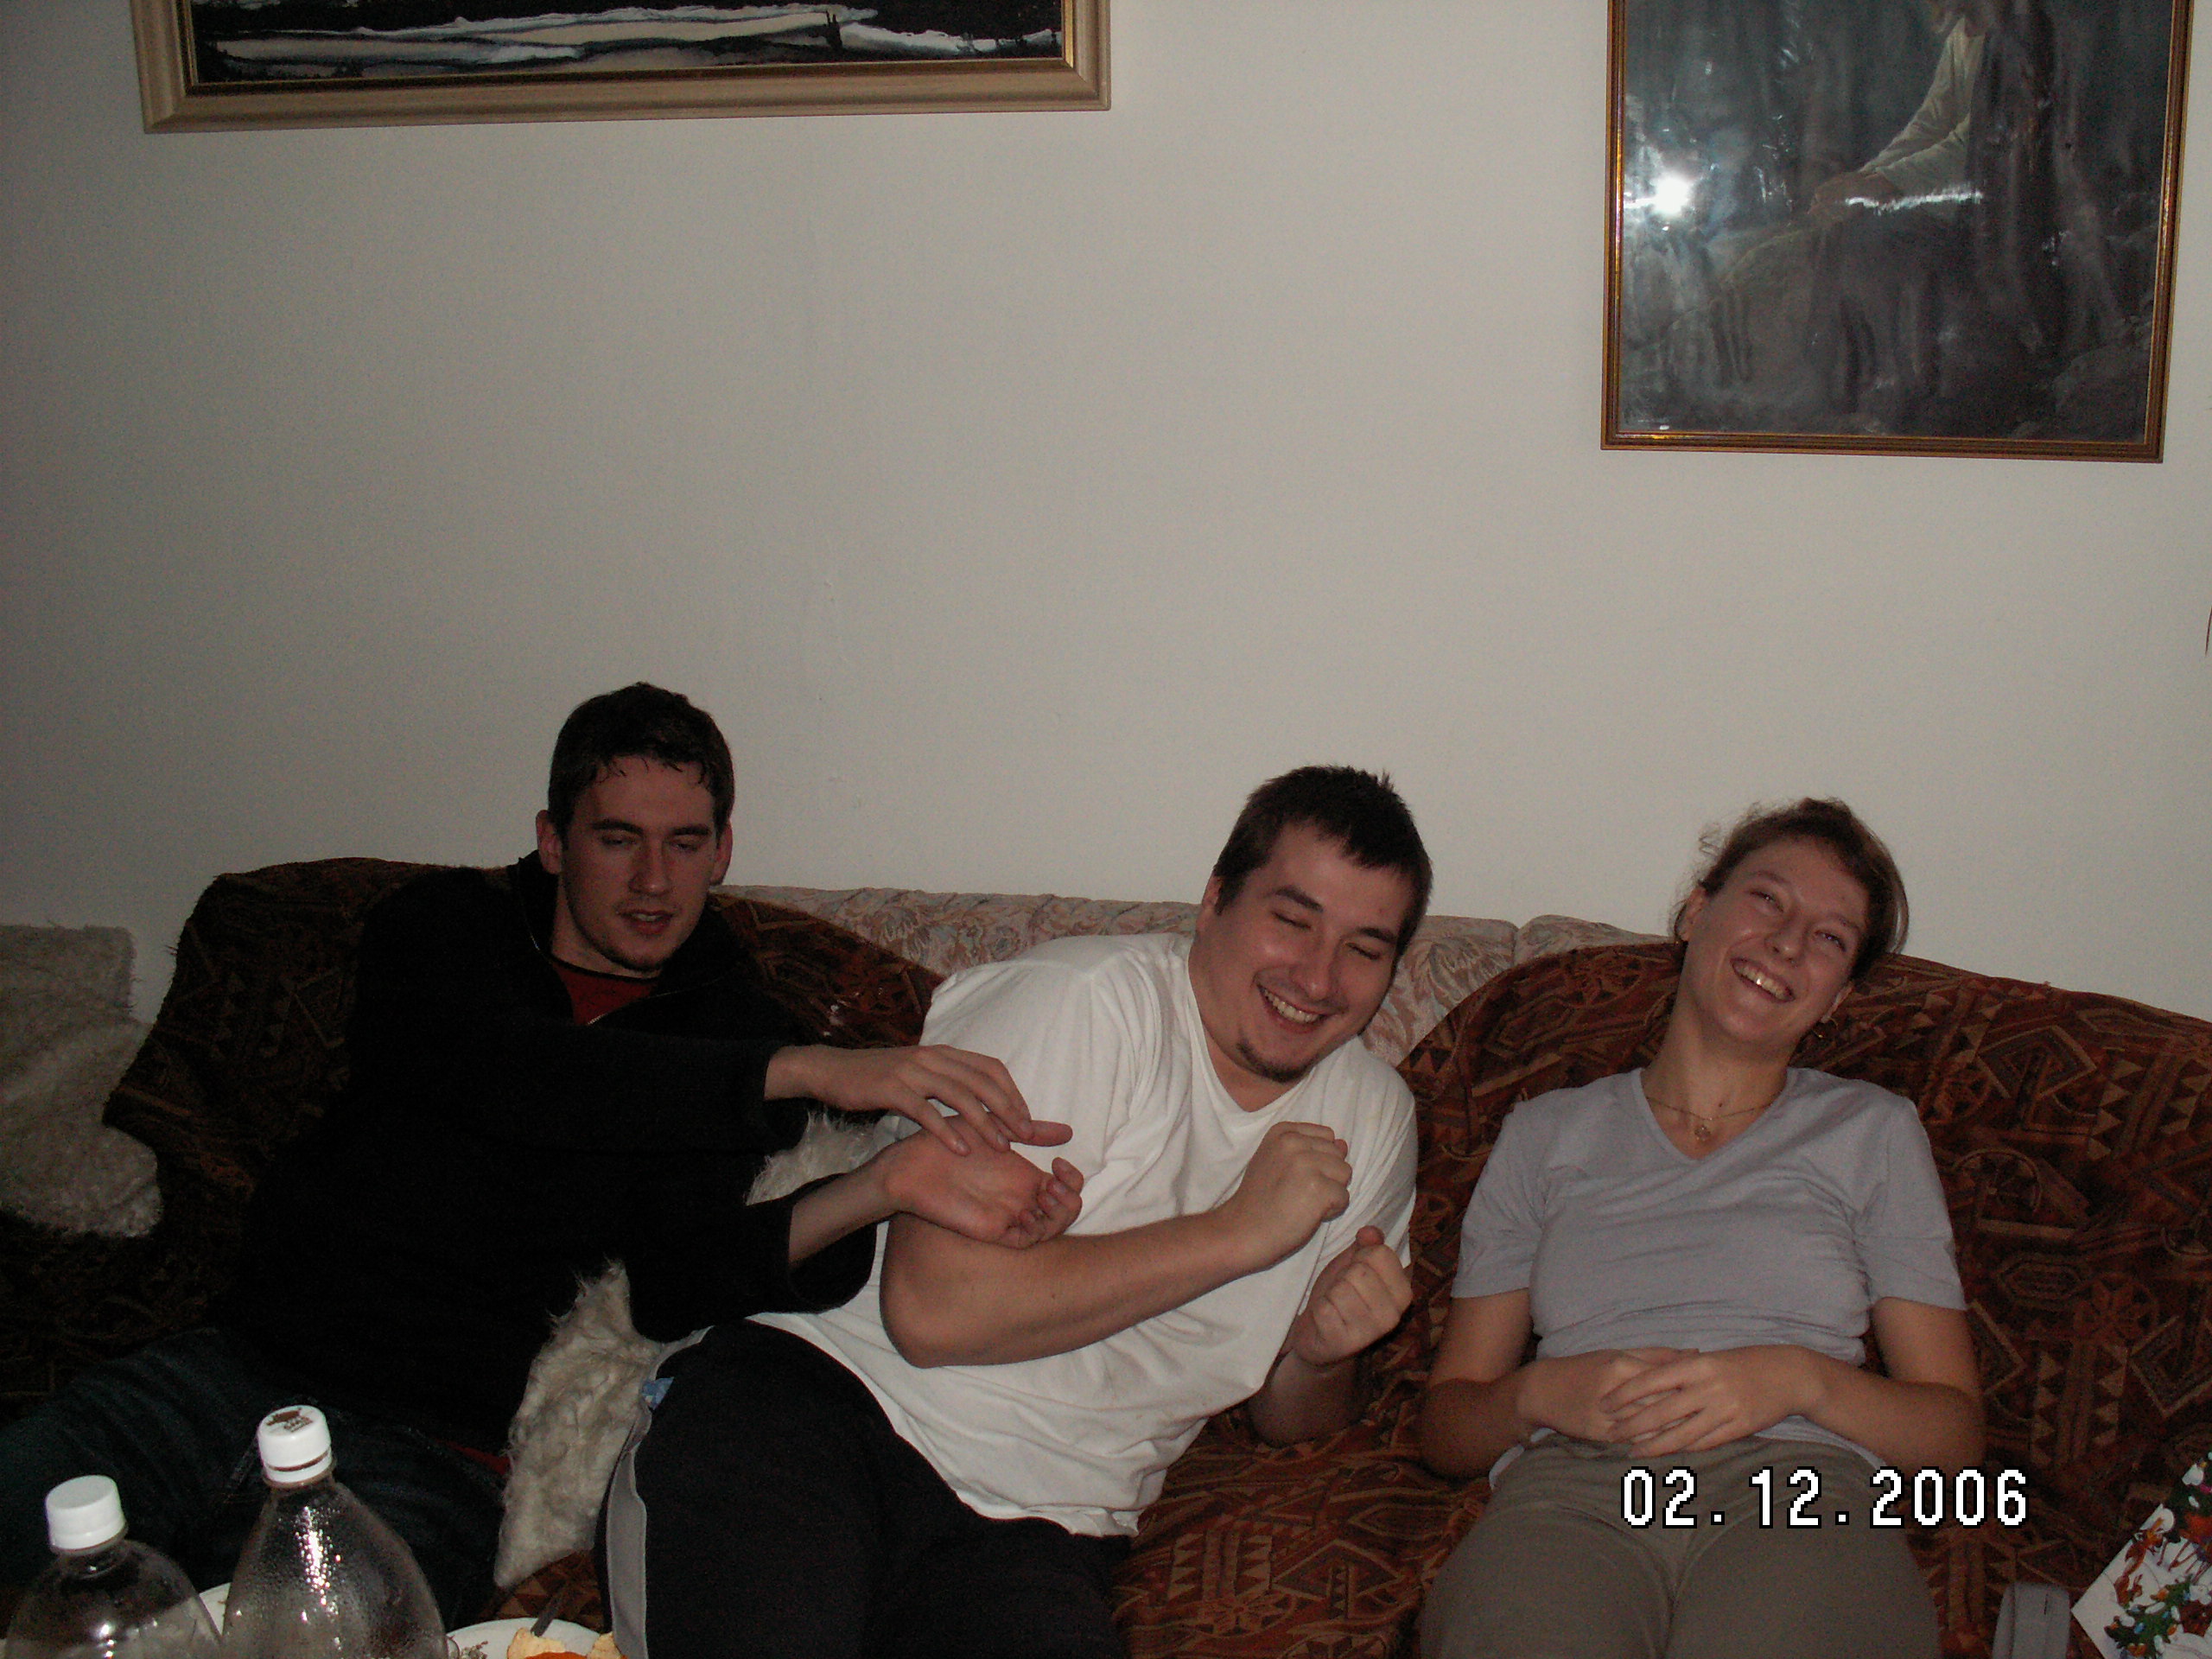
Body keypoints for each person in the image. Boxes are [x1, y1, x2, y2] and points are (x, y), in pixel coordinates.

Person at [0, 683, 1078, 1622]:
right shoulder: (444, 930)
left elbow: (674, 1280)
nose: (653, 881)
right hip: (230, 1376)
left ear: (723, 852)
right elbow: (509, 1077)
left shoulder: (734, 1029)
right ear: (553, 841)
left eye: (686, 843)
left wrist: (881, 1185)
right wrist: (798, 1072)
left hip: (434, 1458)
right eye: (617, 839)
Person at [602, 766, 1432, 1659]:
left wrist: (1321, 1353)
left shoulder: (1372, 1118)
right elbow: (932, 1316)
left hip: (1047, 1526)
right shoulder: (1082, 1003)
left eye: (1364, 948)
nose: (1318, 977)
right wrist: (1235, 1233)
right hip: (820, 1413)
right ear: (1214, 898)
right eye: (1292, 920)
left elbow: (1290, 1419)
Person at [1416, 799, 1981, 1659]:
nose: (1787, 944)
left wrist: (1798, 1381)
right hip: (1572, 1491)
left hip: (1800, 1495)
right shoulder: (1544, 1133)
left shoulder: (1873, 1131)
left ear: (1839, 997)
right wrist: (1536, 1395)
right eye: (1767, 900)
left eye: (1829, 939)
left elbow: (1953, 1444)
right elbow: (1447, 1426)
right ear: (1695, 911)